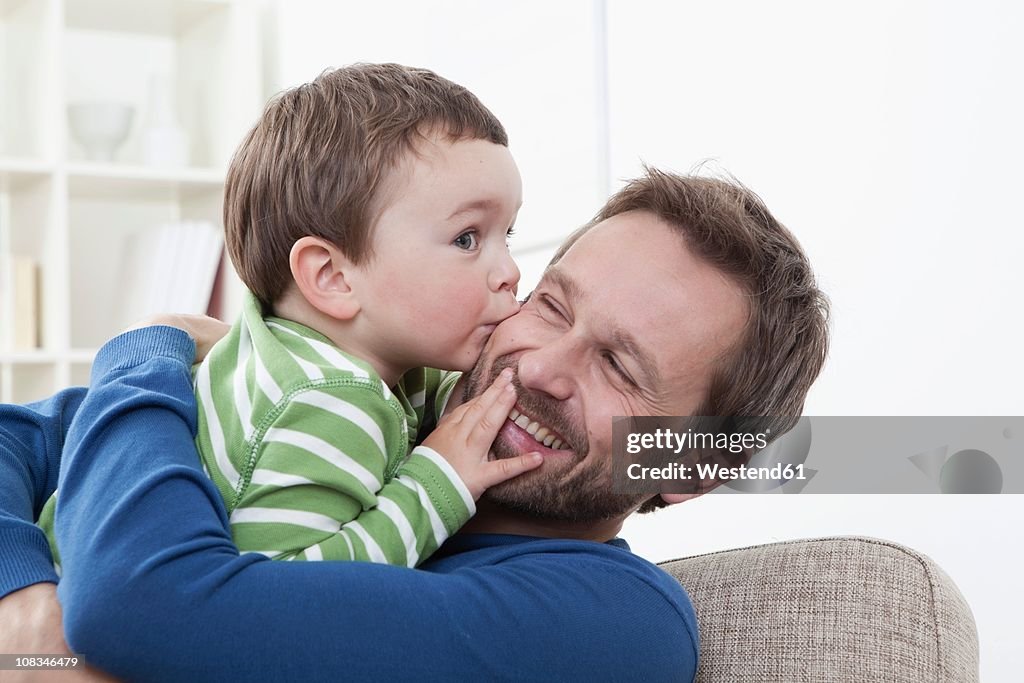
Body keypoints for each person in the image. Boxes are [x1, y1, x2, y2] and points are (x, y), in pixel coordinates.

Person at [0, 169, 829, 681]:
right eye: (550, 304)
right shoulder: (369, 409)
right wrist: (27, 604)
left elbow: (136, 604)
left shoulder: (612, 622)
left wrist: (152, 346)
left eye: (619, 365)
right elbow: (19, 438)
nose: (538, 366)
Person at [38, 63, 544, 567]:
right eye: (466, 239)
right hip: (73, 636)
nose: (510, 272)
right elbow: (281, 596)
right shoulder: (327, 402)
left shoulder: (334, 349)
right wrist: (437, 486)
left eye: (508, 235)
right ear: (332, 277)